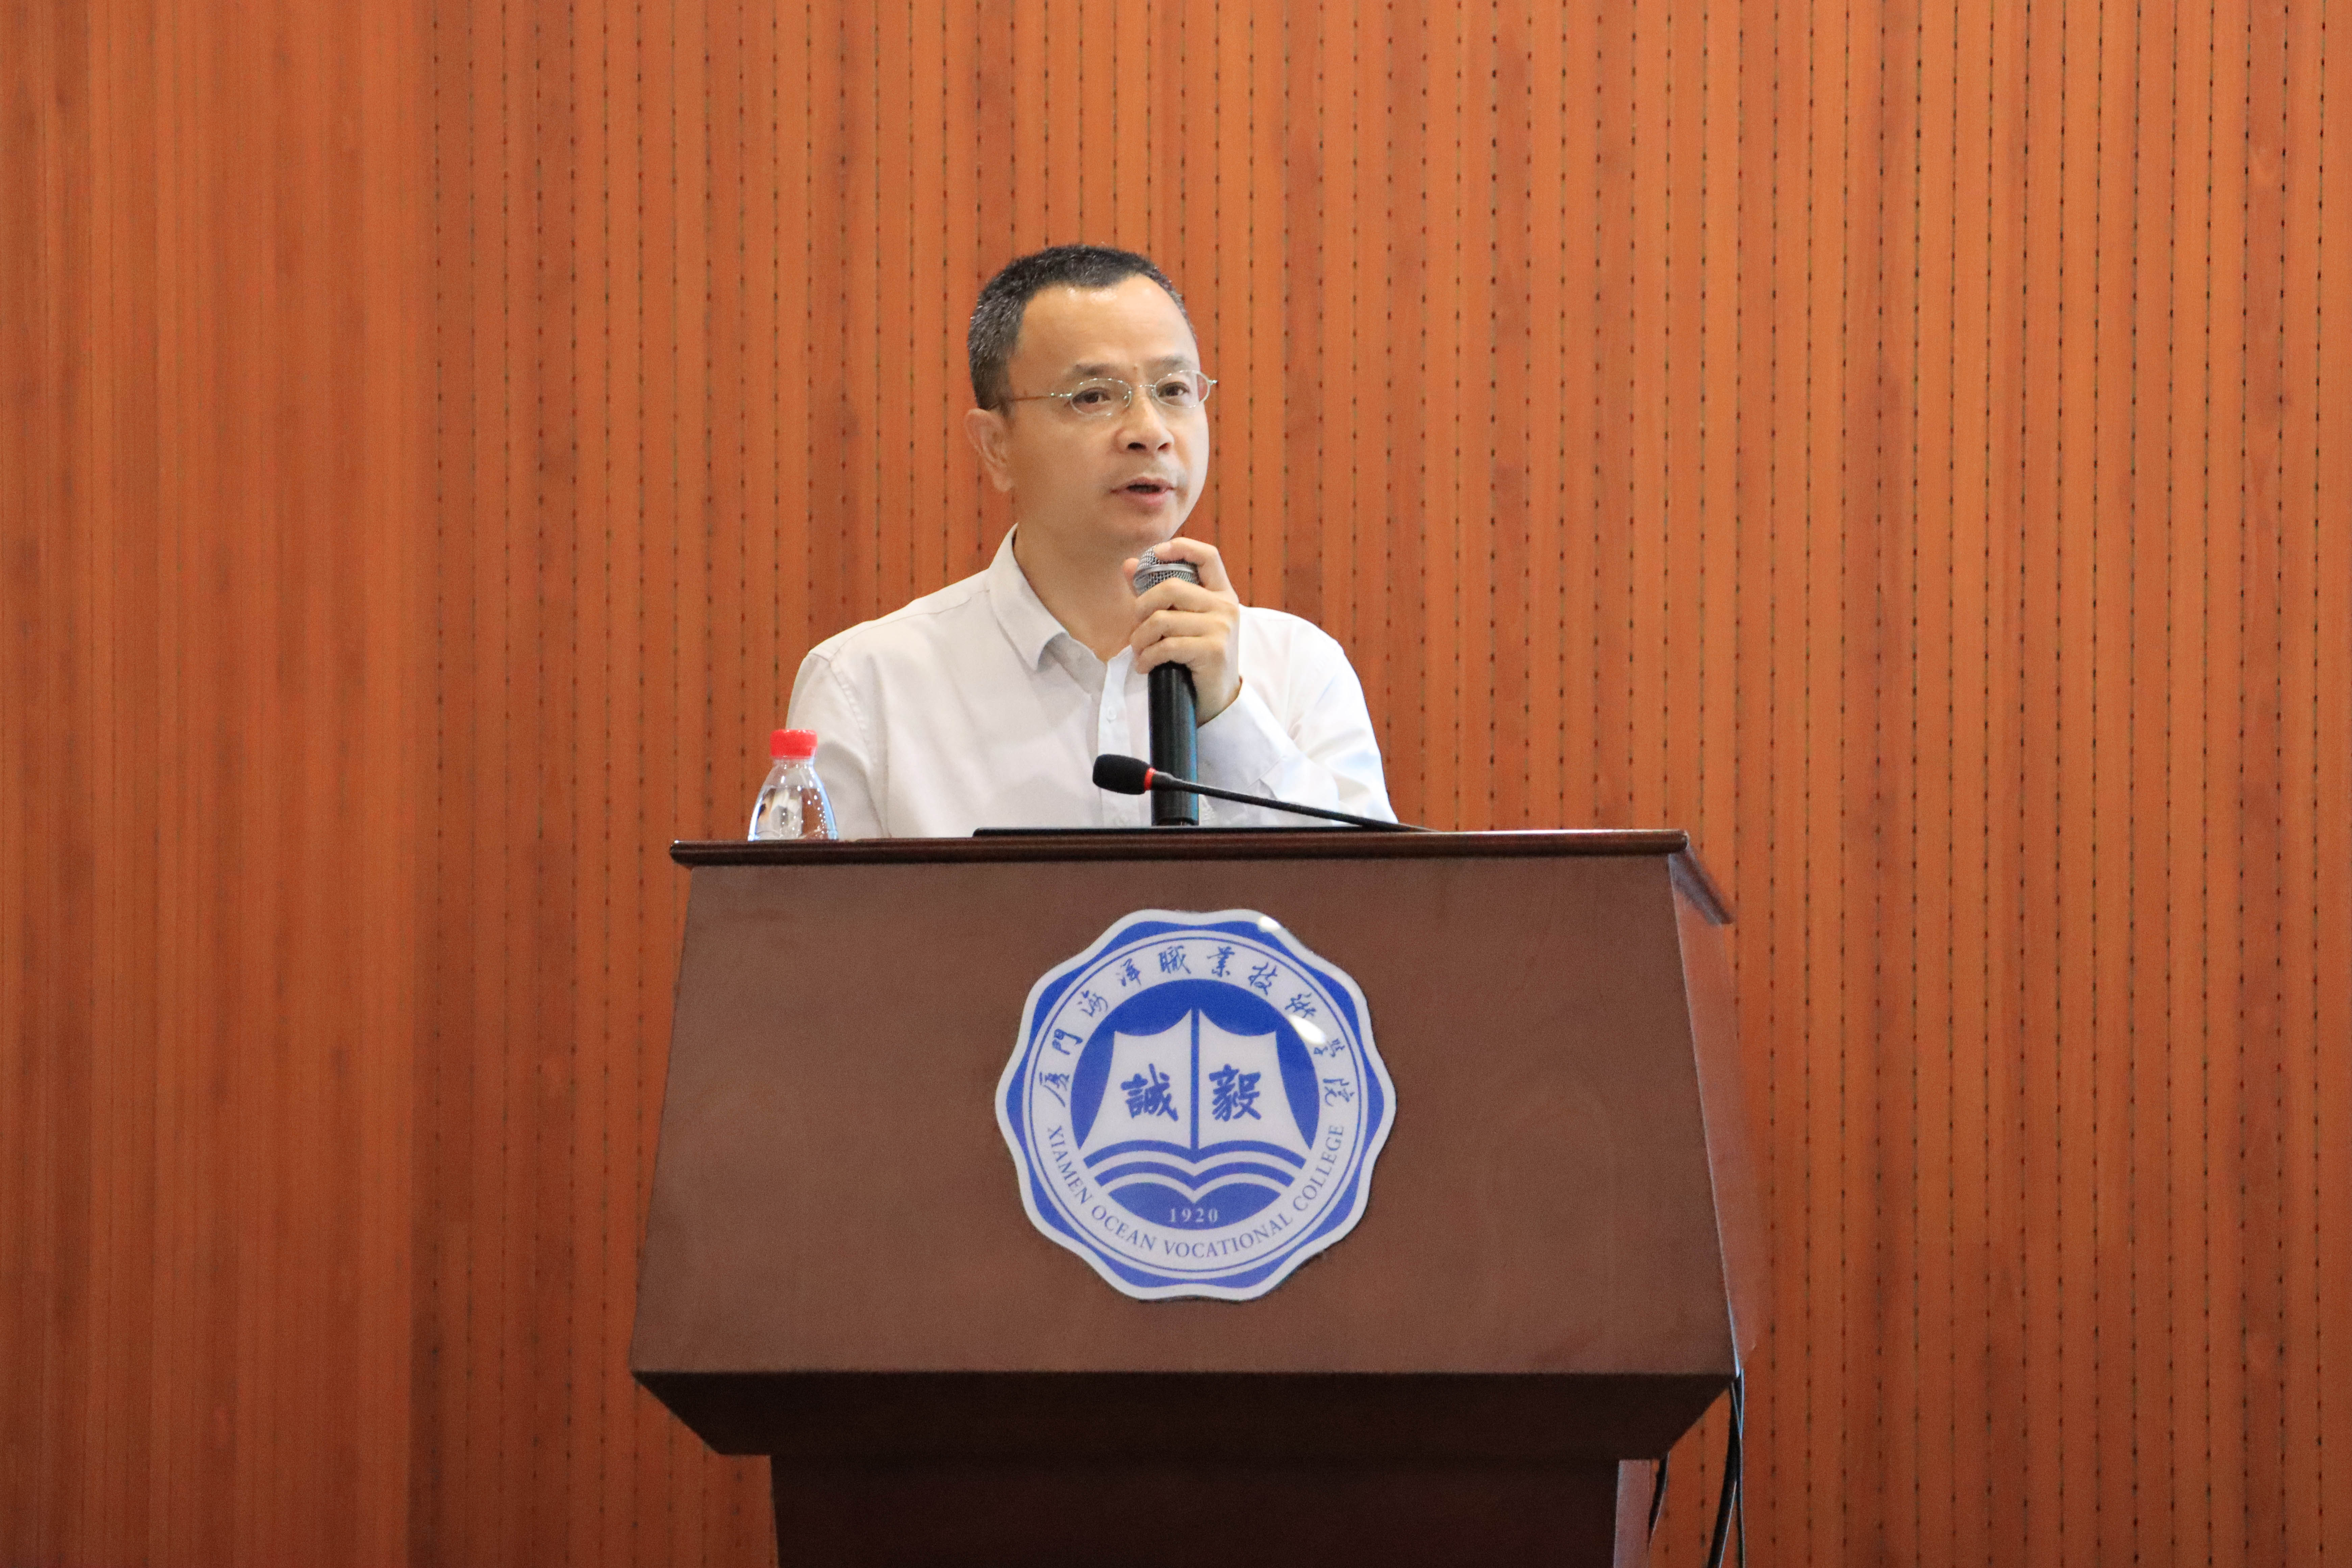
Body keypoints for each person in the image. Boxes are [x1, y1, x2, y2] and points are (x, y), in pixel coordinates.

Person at [785, 244, 1393, 838]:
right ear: (997, 446)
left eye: (1174, 390)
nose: (1150, 432)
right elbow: (812, 910)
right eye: (1093, 397)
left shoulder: (1298, 671)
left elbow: (1373, 898)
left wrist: (1228, 717)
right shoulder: (867, 687)